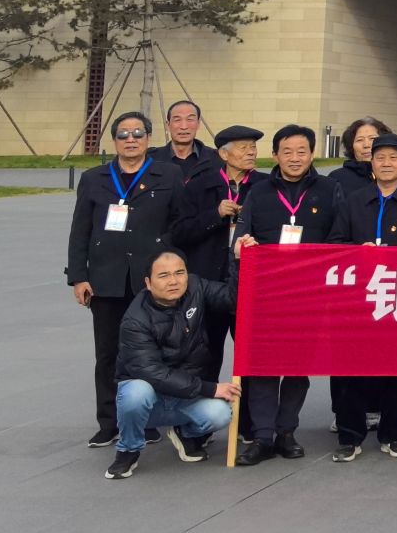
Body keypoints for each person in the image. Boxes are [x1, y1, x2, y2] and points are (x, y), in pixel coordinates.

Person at [69, 110, 180, 448]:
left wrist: (170, 265)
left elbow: (179, 224)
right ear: (114, 140)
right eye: (123, 134)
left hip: (151, 281)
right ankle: (109, 422)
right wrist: (79, 277)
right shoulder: (94, 178)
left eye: (137, 133)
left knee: (152, 353)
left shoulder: (168, 174)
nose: (131, 140)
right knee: (108, 353)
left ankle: (147, 419)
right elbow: (80, 231)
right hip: (107, 280)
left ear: (149, 138)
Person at [232, 124, 337, 464]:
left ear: (312, 154)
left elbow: (340, 240)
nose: (294, 158)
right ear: (275, 155)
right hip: (267, 296)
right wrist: (242, 245)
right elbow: (240, 237)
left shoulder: (329, 190)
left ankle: (286, 432)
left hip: (310, 296)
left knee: (296, 367)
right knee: (263, 367)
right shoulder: (259, 192)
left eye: (301, 151)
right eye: (287, 152)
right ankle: (262, 437)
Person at [326, 131, 397, 458]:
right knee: (352, 367)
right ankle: (349, 437)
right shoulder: (353, 201)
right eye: (380, 158)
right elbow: (336, 243)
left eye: (393, 157)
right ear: (371, 163)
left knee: (394, 369)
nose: (386, 163)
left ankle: (393, 434)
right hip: (358, 296)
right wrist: (357, 251)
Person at [103, 250, 240, 479]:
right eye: (164, 275)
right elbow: (152, 372)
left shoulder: (196, 287)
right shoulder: (135, 320)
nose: (173, 281)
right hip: (151, 400)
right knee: (136, 393)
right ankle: (128, 449)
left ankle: (185, 434)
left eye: (179, 273)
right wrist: (210, 388)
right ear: (148, 283)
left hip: (184, 394)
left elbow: (234, 299)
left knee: (222, 413)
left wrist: (239, 262)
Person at [168, 122, 258, 385]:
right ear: (224, 154)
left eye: (253, 148)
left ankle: (247, 411)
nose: (251, 153)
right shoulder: (199, 186)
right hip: (208, 281)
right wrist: (215, 215)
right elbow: (179, 232)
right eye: (244, 148)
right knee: (205, 353)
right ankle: (203, 407)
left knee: (251, 353)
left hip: (249, 281)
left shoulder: (264, 186)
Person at [153, 99, 217, 187]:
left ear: (198, 124)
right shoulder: (152, 160)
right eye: (177, 120)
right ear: (168, 125)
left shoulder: (215, 159)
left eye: (190, 119)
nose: (184, 127)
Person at [330, 117, 392, 203]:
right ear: (351, 146)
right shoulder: (337, 178)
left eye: (372, 139)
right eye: (359, 140)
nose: (366, 145)